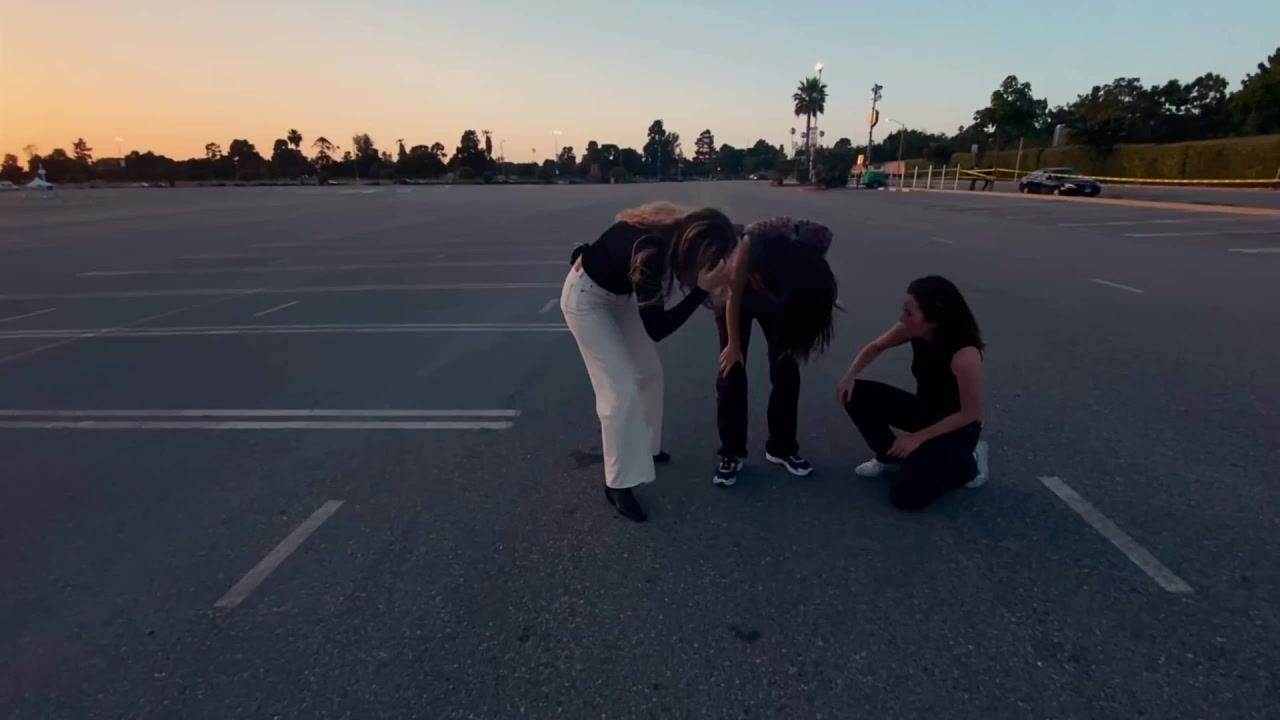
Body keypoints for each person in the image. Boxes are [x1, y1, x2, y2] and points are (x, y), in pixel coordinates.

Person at [562, 203, 738, 522]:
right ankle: (617, 483)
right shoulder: (650, 252)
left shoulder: (676, 231)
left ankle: (645, 448)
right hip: (587, 301)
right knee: (619, 391)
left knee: (649, 373)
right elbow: (657, 328)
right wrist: (701, 291)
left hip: (620, 296)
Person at [836, 275, 989, 510]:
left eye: (909, 313)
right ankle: (888, 457)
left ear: (934, 319)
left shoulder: (965, 355)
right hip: (925, 409)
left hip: (957, 428)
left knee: (905, 498)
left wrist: (917, 438)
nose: (902, 318)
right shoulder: (910, 330)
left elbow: (970, 414)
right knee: (855, 393)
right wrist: (850, 376)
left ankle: (971, 463)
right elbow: (876, 347)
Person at [713, 217, 838, 487]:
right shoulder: (753, 242)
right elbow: (733, 296)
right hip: (736, 296)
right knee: (731, 373)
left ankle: (782, 447)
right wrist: (733, 346)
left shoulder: (814, 245)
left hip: (774, 299)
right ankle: (731, 452)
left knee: (787, 372)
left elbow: (806, 297)